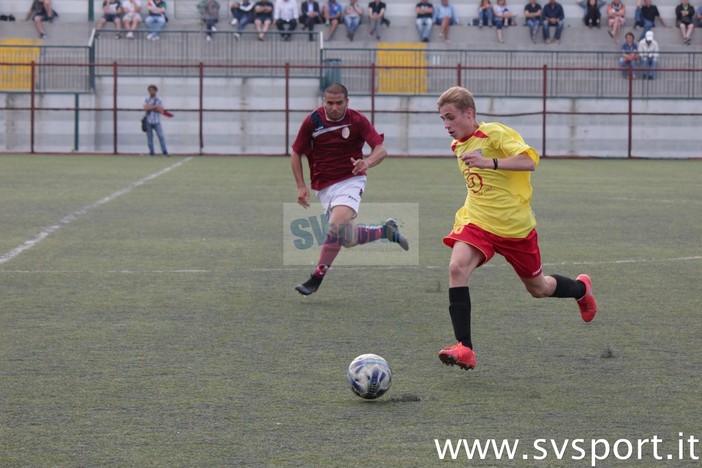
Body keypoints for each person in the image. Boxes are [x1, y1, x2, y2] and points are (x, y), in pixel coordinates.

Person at [435, 85, 597, 371]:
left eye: (450, 117)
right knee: (456, 268)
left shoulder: (495, 133)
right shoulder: (457, 144)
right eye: (442, 120)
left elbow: (529, 161)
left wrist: (489, 162)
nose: (447, 126)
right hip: (477, 222)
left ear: (468, 113)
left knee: (539, 288)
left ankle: (581, 289)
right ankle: (465, 348)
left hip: (515, 228)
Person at [290, 83, 409, 296]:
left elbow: (380, 149)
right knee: (348, 239)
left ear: (347, 102)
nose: (334, 108)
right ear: (323, 102)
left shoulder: (357, 120)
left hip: (351, 180)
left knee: (335, 225)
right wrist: (301, 186)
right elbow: (296, 152)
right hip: (324, 186)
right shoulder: (313, 121)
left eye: (339, 103)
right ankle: (386, 231)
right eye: (329, 103)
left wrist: (367, 162)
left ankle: (317, 276)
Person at [143, 85, 169, 157]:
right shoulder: (146, 99)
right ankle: (151, 153)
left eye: (153, 90)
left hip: (157, 121)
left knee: (161, 136)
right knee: (149, 138)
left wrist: (150, 107)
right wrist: (155, 107)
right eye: (150, 90)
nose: (151, 92)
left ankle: (164, 152)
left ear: (155, 91)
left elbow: (160, 109)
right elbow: (145, 108)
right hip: (148, 121)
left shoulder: (159, 99)